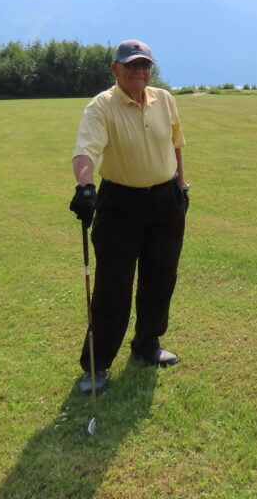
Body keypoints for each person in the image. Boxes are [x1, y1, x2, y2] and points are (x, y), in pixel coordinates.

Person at [68, 39, 190, 395]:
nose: (139, 72)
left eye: (144, 66)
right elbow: (85, 151)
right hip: (120, 202)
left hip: (166, 199)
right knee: (113, 285)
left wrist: (181, 185)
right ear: (115, 69)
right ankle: (97, 363)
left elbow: (176, 143)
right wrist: (85, 187)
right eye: (131, 65)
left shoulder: (164, 99)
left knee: (161, 274)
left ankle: (147, 344)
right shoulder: (101, 107)